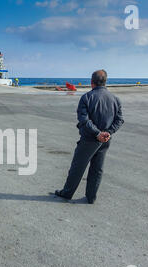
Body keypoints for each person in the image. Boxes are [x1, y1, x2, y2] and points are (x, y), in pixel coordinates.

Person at [55, 70, 124, 204]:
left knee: (78, 167)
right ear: (105, 81)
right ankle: (91, 196)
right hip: (105, 140)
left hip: (89, 139)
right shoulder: (115, 99)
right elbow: (119, 120)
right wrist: (108, 133)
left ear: (92, 82)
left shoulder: (87, 97)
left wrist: (98, 133)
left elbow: (84, 120)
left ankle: (67, 193)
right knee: (97, 168)